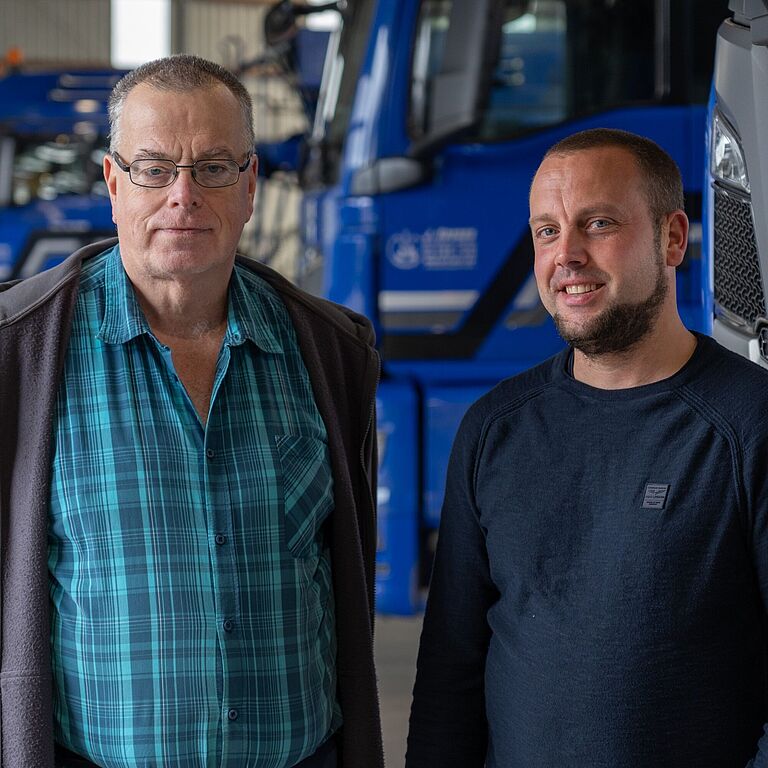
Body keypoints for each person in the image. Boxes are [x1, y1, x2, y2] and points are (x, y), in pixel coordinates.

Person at [0, 54, 383, 768]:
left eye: (212, 167)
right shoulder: (19, 354)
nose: (184, 196)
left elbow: (347, 573)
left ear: (250, 186)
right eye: (153, 169)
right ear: (113, 184)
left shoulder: (331, 352)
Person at [405, 128, 768, 767]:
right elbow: (450, 676)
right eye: (547, 231)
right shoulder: (493, 429)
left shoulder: (749, 422)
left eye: (598, 224)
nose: (565, 255)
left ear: (673, 238)